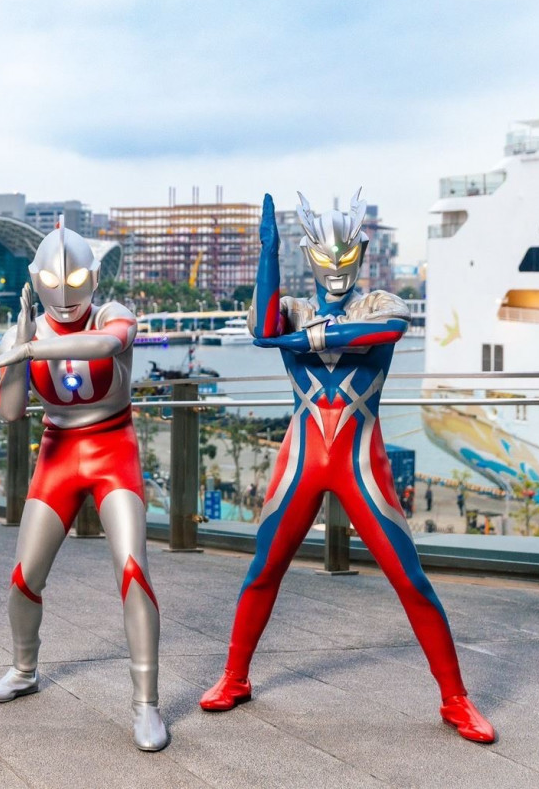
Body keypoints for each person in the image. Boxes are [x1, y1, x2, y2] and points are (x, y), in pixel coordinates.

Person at [198, 190, 496, 744]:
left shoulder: (378, 303)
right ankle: (235, 676)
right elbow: (263, 328)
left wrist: (306, 339)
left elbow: (384, 333)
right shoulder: (292, 307)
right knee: (264, 568)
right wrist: (268, 253)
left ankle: (455, 698)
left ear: (361, 254)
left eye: (346, 256)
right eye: (324, 256)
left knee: (409, 578)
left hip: (360, 460)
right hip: (302, 457)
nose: (336, 267)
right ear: (308, 255)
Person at [0, 222, 168, 752]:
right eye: (52, 281)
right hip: (57, 452)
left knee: (132, 569)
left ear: (94, 277)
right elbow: (11, 412)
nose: (64, 292)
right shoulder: (27, 332)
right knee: (24, 576)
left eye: (75, 279)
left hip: (113, 448)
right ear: (36, 280)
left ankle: (145, 702)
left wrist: (31, 351)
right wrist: (18, 347)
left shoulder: (112, 313)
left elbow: (108, 344)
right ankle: (23, 669)